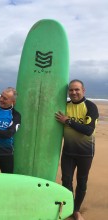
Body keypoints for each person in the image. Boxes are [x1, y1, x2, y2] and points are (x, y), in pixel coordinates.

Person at [55, 79, 99, 220]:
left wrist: (68, 121)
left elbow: (88, 130)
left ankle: (77, 210)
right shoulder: (65, 106)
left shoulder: (90, 106)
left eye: (77, 89)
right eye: (71, 90)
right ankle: (68, 206)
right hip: (68, 152)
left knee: (81, 181)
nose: (74, 92)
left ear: (83, 90)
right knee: (66, 180)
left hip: (85, 153)